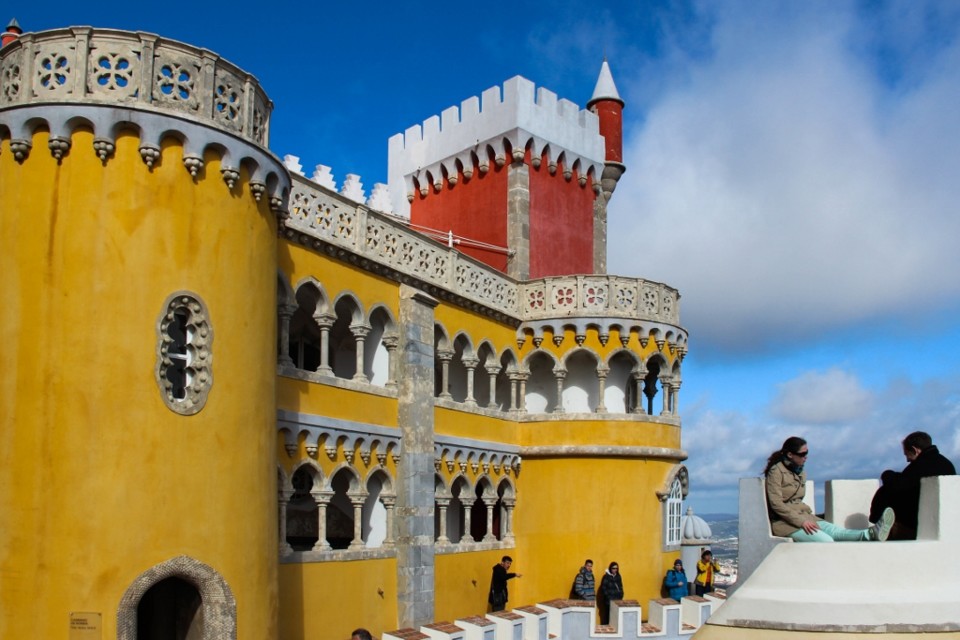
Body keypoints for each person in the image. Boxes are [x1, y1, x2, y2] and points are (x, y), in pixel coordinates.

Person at [764, 436, 895, 542]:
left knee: (836, 531)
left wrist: (805, 519)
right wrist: (801, 522)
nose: (806, 457)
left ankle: (871, 534)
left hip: (805, 516)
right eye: (802, 454)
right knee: (826, 540)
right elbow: (776, 504)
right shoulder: (776, 472)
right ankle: (871, 534)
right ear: (790, 455)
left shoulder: (801, 472)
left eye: (807, 453)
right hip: (784, 523)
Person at [869, 431, 957, 540]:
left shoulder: (921, 465)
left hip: (910, 526)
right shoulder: (946, 464)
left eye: (907, 454)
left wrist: (886, 474)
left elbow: (899, 485)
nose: (907, 460)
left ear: (915, 450)